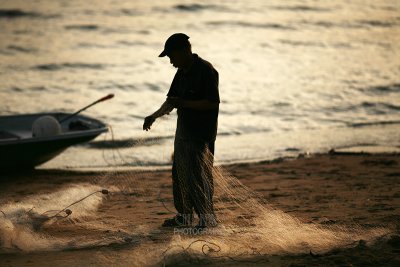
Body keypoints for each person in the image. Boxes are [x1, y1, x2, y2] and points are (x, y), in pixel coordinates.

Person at [143, 33, 220, 229]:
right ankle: (185, 216)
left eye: (171, 56)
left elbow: (211, 104)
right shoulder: (181, 72)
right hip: (183, 135)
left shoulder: (206, 70)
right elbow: (171, 101)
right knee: (179, 175)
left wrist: (184, 103)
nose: (171, 62)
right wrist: (154, 115)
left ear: (184, 51)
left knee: (200, 177)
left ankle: (206, 219)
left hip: (201, 136)